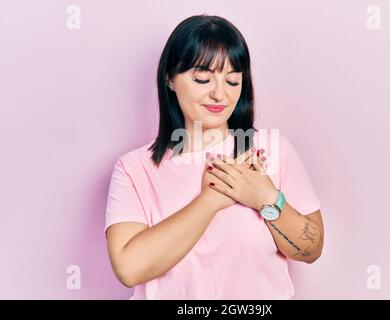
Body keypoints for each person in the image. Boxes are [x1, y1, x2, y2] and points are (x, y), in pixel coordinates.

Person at [104, 14, 324, 300]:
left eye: (232, 81)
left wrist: (267, 198)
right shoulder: (135, 168)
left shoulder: (271, 148)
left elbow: (311, 249)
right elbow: (129, 269)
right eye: (203, 79)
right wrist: (211, 200)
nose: (219, 94)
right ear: (170, 78)